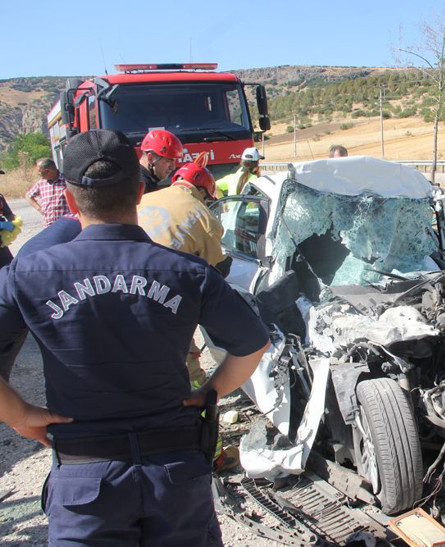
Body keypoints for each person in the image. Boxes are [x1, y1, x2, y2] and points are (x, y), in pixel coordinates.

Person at [0, 129, 270, 545]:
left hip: (84, 482)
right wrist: (210, 392)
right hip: (176, 476)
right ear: (140, 192)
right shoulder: (187, 273)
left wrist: (19, 414)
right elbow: (252, 344)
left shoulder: (27, 275)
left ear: (70, 201)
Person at [138, 162, 231, 389]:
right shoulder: (204, 217)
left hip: (121, 284)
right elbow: (215, 269)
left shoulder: (147, 198)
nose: (207, 202)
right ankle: (196, 401)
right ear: (201, 192)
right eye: (207, 197)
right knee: (182, 350)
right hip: (163, 292)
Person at [25, 158, 69, 227]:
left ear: (47, 171)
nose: (38, 174)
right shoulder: (41, 183)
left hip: (66, 224)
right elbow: (28, 196)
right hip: (49, 226)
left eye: (39, 171)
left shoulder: (67, 181)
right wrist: (39, 209)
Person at [139, 128, 184, 193]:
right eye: (169, 160)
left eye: (174, 161)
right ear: (151, 158)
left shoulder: (143, 181)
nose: (173, 167)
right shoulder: (140, 186)